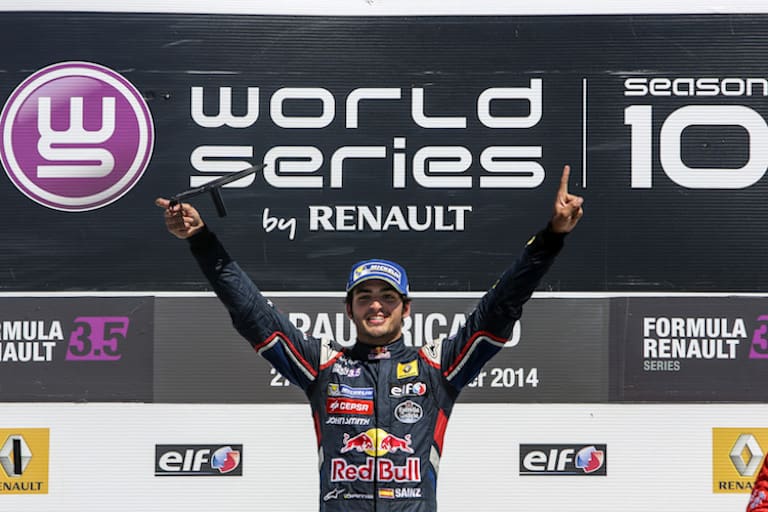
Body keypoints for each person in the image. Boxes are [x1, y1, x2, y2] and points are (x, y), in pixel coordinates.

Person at [155, 164, 584, 511]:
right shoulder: (323, 366)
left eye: (387, 296)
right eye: (365, 297)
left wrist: (550, 239)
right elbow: (253, 315)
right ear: (349, 309)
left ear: (406, 307)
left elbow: (499, 307)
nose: (376, 306)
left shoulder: (437, 368)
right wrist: (201, 240)